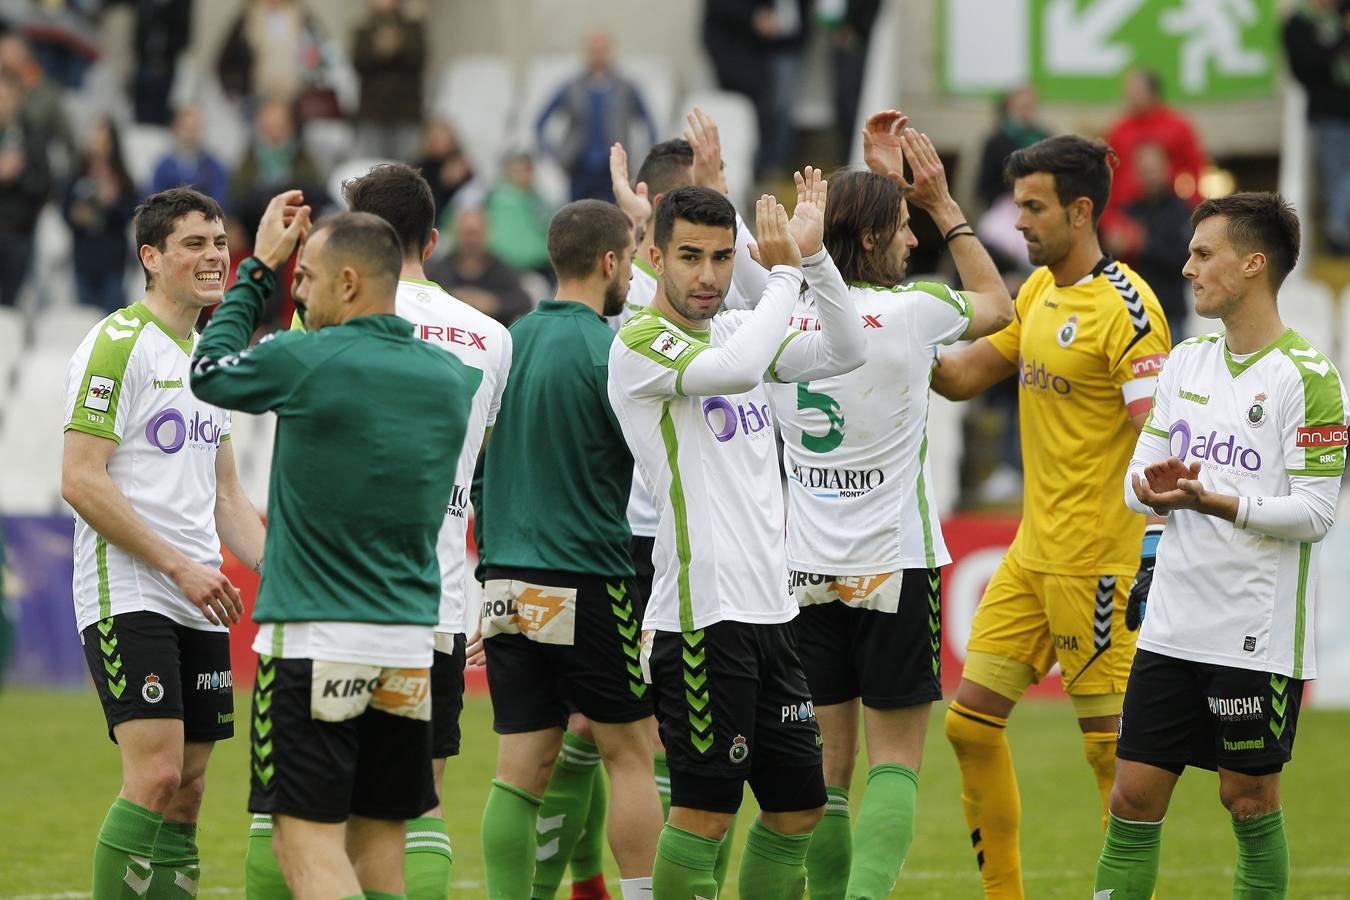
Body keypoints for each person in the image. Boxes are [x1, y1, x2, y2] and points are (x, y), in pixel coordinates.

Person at [190, 195, 476, 897]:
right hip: (409, 644)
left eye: (308, 277)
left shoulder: (307, 360)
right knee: (380, 844)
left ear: (349, 283)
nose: (299, 290)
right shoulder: (450, 379)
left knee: (304, 843)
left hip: (317, 638)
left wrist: (257, 267)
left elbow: (208, 372)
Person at [243, 165, 512, 900]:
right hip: (432, 605)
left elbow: (235, 376)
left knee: (296, 823)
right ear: (432, 238)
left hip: (326, 601)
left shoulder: (326, 322)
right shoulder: (491, 339)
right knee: (409, 811)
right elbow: (481, 473)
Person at [768, 112, 1013, 898]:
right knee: (896, 763)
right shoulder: (911, 315)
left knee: (829, 773)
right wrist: (944, 203)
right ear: (873, 242)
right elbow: (997, 304)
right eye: (903, 230)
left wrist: (867, 184)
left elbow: (828, 255)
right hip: (894, 565)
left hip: (804, 566)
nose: (914, 242)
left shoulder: (776, 320)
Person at [608, 175, 867, 898]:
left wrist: (813, 263)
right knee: (703, 812)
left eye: (723, 258)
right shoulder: (641, 343)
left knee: (798, 808)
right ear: (654, 257)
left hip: (772, 615)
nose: (709, 275)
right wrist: (783, 272)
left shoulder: (733, 327)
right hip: (701, 617)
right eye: (690, 256)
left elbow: (845, 351)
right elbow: (739, 369)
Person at [930, 134, 1172, 899]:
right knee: (968, 727)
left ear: (1080, 209)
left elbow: (1157, 437)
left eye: (1033, 208)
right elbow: (965, 375)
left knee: (1113, 761)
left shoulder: (1129, 309)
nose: (1020, 223)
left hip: (1099, 563)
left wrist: (1161, 550)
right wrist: (874, 339)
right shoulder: (1037, 293)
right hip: (1033, 556)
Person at [1095, 192, 1346, 898]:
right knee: (1131, 799)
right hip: (1172, 626)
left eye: (1204, 254)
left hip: (1253, 634)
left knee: (1247, 801)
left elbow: (1316, 514)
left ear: (1254, 264)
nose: (1188, 267)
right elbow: (1131, 483)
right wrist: (1155, 489)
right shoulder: (1185, 362)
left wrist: (1216, 501)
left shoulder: (1310, 380)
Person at [61, 186, 265, 897]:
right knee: (156, 776)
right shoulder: (118, 344)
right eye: (194, 244)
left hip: (198, 593)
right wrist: (179, 566)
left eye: (219, 243)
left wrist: (290, 575)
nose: (215, 257)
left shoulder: (211, 356)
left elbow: (228, 496)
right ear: (151, 257)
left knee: (191, 791)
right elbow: (81, 481)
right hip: (134, 588)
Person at [476, 198, 663, 900]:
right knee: (629, 754)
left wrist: (490, 569)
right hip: (588, 576)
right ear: (611, 262)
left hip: (506, 578)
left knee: (519, 769)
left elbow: (483, 468)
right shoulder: (610, 352)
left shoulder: (508, 342)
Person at [535, 30, 656, 202]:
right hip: (579, 169)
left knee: (613, 220)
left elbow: (650, 125)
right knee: (576, 219)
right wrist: (555, 154)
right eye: (593, 50)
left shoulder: (626, 88)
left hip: (614, 171)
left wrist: (642, 160)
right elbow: (540, 123)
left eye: (602, 50)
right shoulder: (571, 87)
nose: (598, 55)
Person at [1282, 0, 1350, 255]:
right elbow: (1306, 67)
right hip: (1330, 113)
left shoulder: (1339, 15)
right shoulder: (1300, 24)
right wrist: (1341, 38)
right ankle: (1338, 231)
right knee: (1339, 174)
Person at [63, 118, 138, 312]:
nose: (98, 147)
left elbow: (132, 212)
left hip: (112, 260)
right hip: (84, 259)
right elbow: (65, 210)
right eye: (94, 140)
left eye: (103, 141)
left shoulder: (122, 178)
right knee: (84, 321)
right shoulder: (76, 174)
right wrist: (76, 215)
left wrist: (114, 201)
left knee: (112, 320)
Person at [427, 206, 535, 328]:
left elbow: (523, 301)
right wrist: (454, 299)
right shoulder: (440, 269)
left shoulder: (501, 270)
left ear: (487, 234)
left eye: (475, 234)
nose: (471, 240)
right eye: (466, 234)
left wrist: (492, 303)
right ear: (455, 234)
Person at [350, 0, 425, 162]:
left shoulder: (413, 27)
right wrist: (378, 51)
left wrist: (398, 46)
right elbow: (357, 63)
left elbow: (418, 60)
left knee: (406, 172)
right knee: (371, 170)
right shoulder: (364, 29)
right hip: (372, 114)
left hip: (406, 112)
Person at [0, 72, 50, 307]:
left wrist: (18, 174)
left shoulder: (34, 135)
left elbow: (44, 184)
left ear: (19, 98)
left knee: (10, 305)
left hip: (19, 233)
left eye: (7, 97)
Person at [150, 106, 230, 207]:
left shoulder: (213, 166)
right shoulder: (163, 166)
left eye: (195, 128)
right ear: (176, 128)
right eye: (187, 128)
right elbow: (154, 200)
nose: (191, 134)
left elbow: (220, 201)